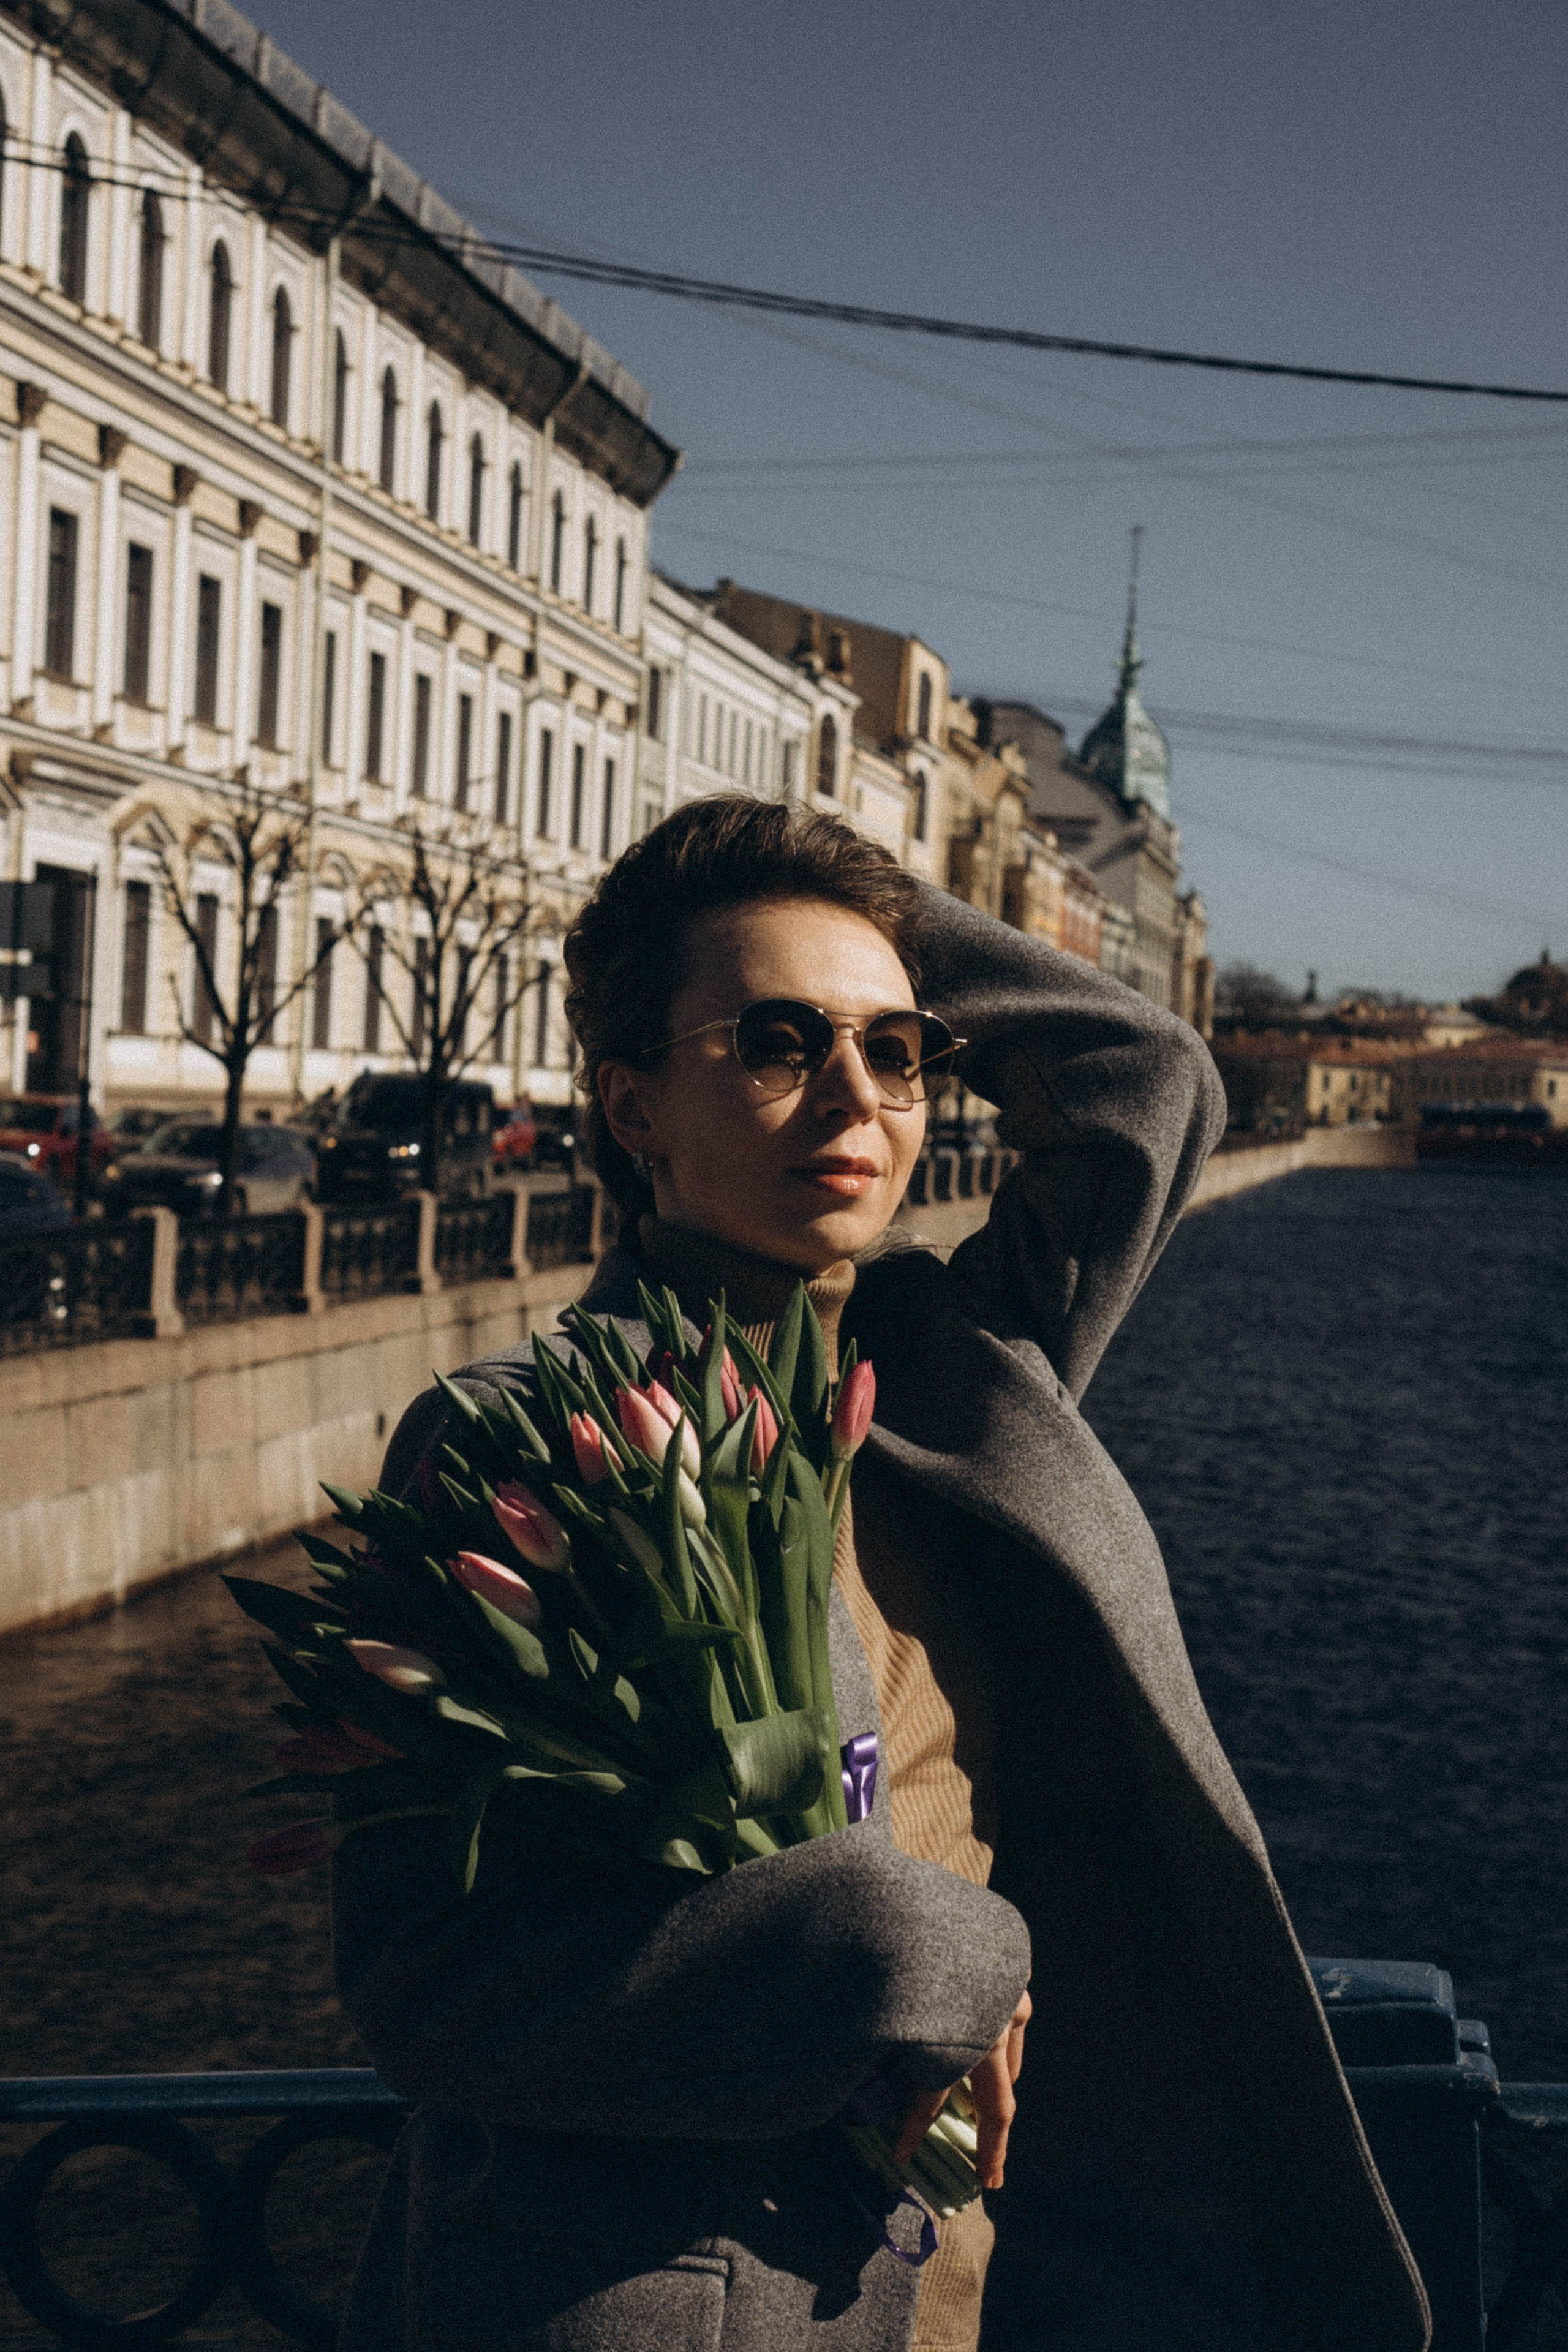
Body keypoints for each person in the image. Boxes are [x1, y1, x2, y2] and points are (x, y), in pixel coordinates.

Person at [334, 795, 1430, 2352]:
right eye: (775, 1043)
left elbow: (1145, 1080)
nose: (853, 1093)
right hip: (673, 2298)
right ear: (630, 1101)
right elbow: (417, 1983)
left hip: (963, 2281)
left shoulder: (950, 1368)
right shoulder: (524, 1445)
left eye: (896, 1049)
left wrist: (839, 899)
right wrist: (898, 1948)